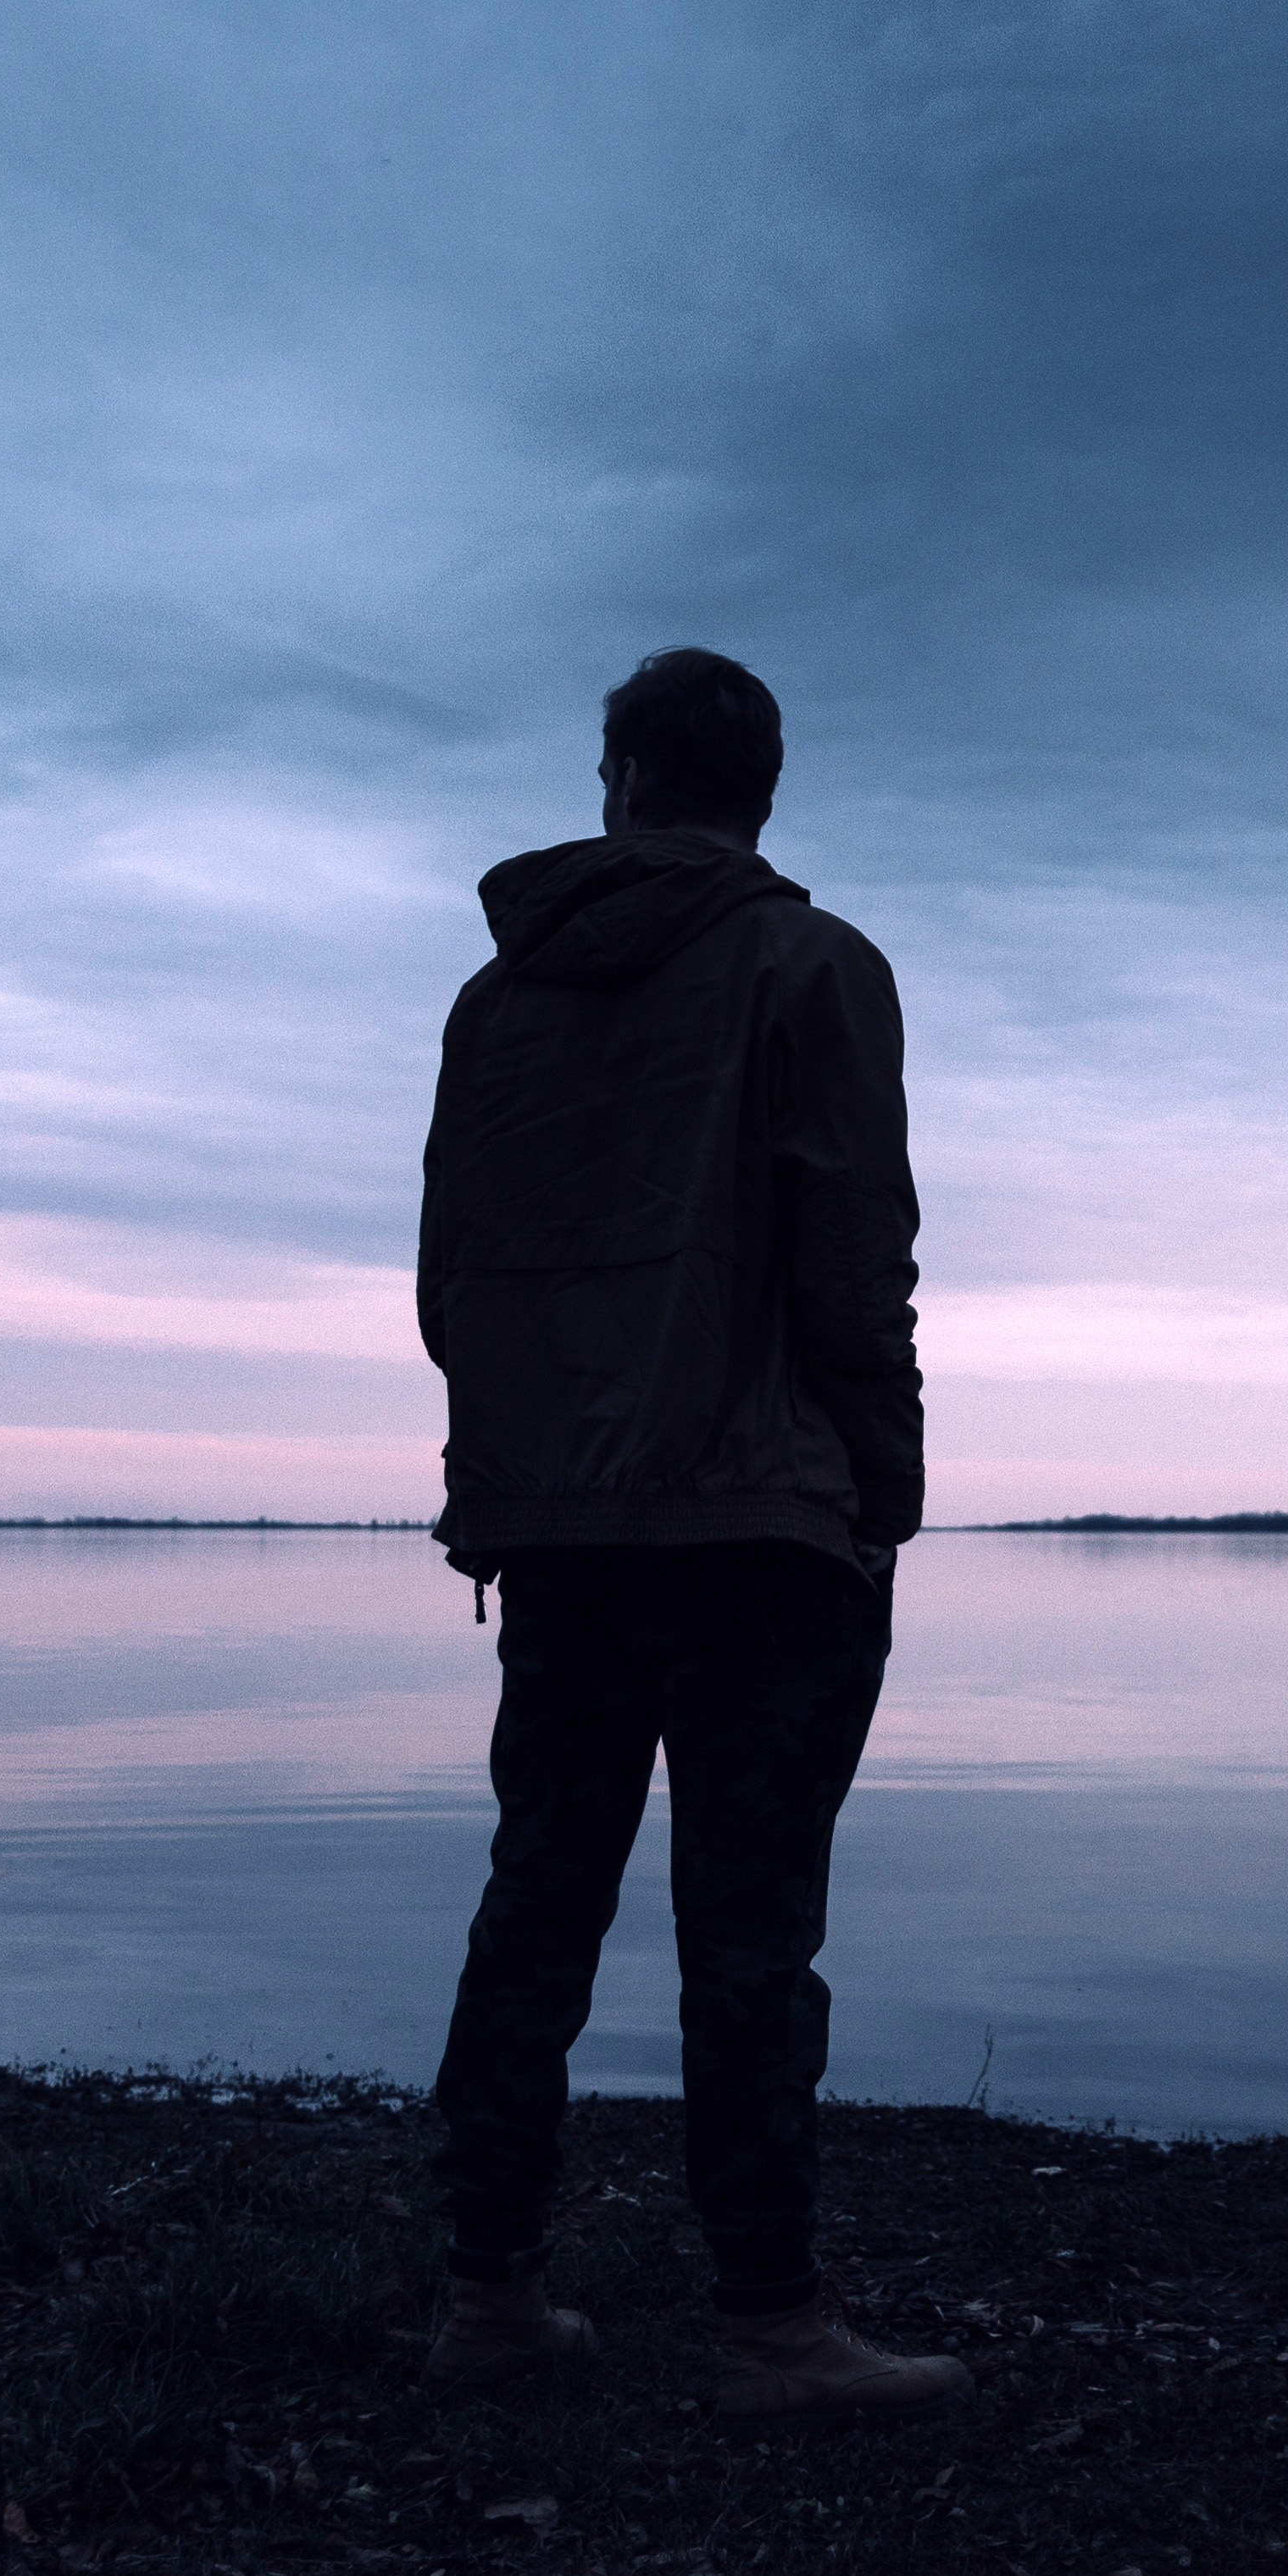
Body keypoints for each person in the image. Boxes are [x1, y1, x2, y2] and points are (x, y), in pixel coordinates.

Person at [413, 645, 963, 2421]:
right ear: (760, 790)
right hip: (760, 1533)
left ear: (623, 783)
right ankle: (770, 2327)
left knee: (536, 1908)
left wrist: (513, 1478)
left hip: (562, 1527)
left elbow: (451, 1285)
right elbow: (852, 1259)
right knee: (748, 1934)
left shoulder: (497, 1008)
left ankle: (488, 2297)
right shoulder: (816, 966)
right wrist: (886, 1487)